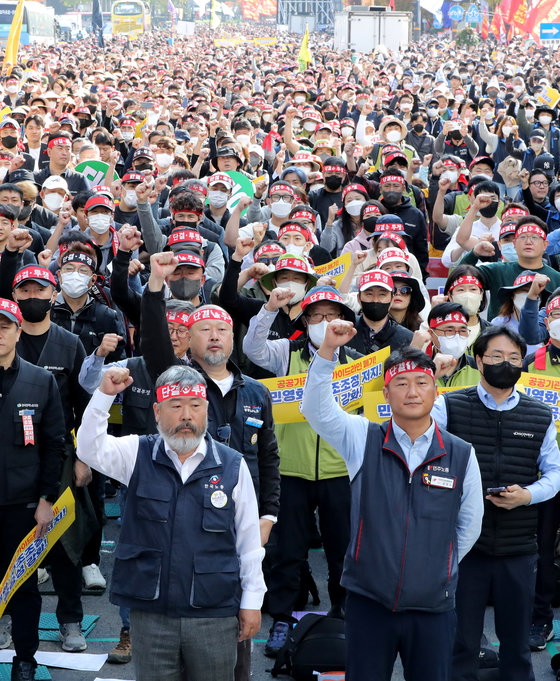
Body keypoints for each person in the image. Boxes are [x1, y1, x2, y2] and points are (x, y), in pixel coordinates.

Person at [301, 330, 483, 681]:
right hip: (370, 601)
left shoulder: (460, 453)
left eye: (421, 383)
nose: (412, 392)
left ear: (436, 391)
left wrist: (433, 566)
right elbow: (315, 409)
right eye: (400, 383)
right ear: (385, 393)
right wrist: (327, 350)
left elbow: (469, 524)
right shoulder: (363, 438)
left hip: (433, 606)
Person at [76, 364, 265, 681]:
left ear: (206, 409)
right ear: (157, 411)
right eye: (175, 407)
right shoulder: (137, 452)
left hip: (213, 613)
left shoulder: (232, 465)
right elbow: (89, 448)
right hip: (152, 615)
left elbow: (248, 542)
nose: (186, 417)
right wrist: (104, 395)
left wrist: (252, 602)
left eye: (195, 406)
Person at [432, 326, 560, 681]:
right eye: (497, 357)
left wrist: (527, 495)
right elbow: (421, 447)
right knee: (460, 643)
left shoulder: (540, 415)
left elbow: (555, 472)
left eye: (514, 358)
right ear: (479, 360)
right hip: (462, 546)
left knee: (517, 647)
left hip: (518, 548)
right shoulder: (449, 405)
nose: (506, 364)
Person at [243, 285, 357, 655]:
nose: (325, 323)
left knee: (343, 547)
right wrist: (269, 309)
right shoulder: (286, 353)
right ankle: (282, 619)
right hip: (290, 468)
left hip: (340, 469)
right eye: (316, 316)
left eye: (332, 316)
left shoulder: (357, 360)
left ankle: (344, 613)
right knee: (288, 550)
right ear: (304, 321)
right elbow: (251, 348)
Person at [0, 298, 65, 681]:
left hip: (24, 505)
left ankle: (25, 658)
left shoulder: (40, 381)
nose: (0, 334)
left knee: (23, 586)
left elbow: (55, 444)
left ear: (18, 331)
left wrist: (46, 501)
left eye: (6, 326)